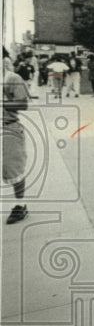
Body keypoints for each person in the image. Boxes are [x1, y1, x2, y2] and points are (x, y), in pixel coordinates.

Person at [2, 48, 30, 224]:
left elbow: (23, 103)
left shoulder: (11, 78)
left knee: (13, 169)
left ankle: (20, 206)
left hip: (8, 129)